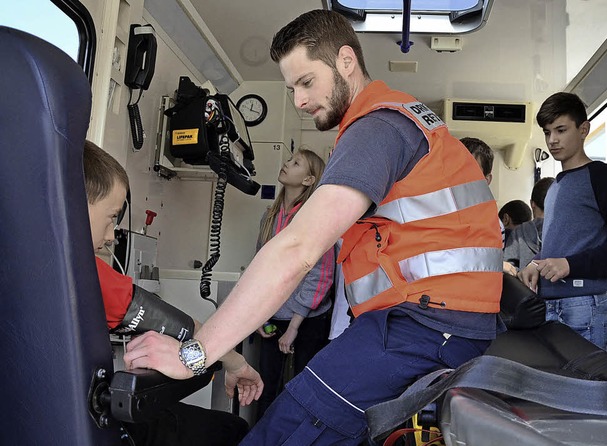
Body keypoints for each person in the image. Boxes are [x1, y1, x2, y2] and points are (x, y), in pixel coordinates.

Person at [123, 10, 503, 445]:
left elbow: (298, 250)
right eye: (291, 89)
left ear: (346, 61)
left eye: (306, 82)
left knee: (280, 433)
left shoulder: (376, 128)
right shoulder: (398, 120)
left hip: (423, 326)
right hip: (429, 323)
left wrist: (196, 355)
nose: (299, 101)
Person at [83, 140, 262, 445]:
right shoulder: (87, 276)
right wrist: (236, 363)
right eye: (112, 216)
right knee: (232, 430)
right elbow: (184, 329)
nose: (112, 236)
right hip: (91, 422)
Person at [518, 92, 607, 350]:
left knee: (584, 390)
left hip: (584, 306)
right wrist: (535, 264)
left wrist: (570, 265)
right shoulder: (555, 187)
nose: (552, 140)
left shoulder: (602, 176)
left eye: (561, 130)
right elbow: (561, 245)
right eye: (547, 132)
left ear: (583, 129)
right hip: (549, 306)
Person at [255, 148, 334, 420]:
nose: (287, 164)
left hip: (308, 318)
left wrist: (294, 327)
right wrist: (259, 316)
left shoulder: (314, 219)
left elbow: (320, 275)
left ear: (309, 180)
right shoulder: (270, 216)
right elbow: (260, 270)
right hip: (273, 316)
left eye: (296, 163)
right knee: (264, 385)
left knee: (303, 388)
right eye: (289, 160)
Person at [460, 136, 517, 276]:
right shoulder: (431, 213)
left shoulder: (495, 226)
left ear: (486, 180)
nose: (460, 178)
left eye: (470, 172)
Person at [504, 177, 554, 270]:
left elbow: (508, 270)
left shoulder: (518, 233)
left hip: (525, 284)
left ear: (532, 204)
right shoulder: (566, 232)